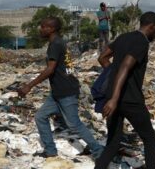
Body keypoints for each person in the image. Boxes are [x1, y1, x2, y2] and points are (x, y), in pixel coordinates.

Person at [18, 17, 103, 159]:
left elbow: (50, 69)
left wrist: (29, 85)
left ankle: (99, 152)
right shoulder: (58, 42)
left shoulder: (56, 44)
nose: (40, 29)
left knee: (74, 124)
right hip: (58, 91)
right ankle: (50, 151)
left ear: (51, 29)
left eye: (43, 26)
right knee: (40, 116)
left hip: (66, 91)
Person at [94, 12, 155, 169]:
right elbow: (126, 65)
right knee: (150, 138)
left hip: (113, 97)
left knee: (113, 141)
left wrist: (112, 76)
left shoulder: (123, 37)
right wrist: (114, 99)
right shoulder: (142, 42)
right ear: (152, 27)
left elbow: (102, 57)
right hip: (129, 99)